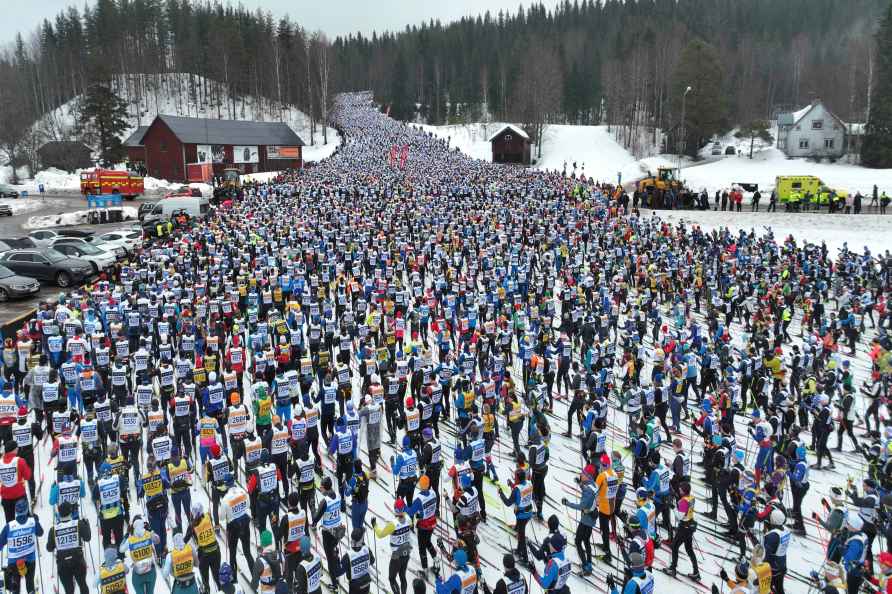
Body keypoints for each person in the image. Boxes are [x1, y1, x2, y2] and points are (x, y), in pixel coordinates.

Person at [47, 500, 92, 594]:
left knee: (69, 590)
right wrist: (87, 524)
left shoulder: (53, 529)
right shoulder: (78, 523)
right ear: (71, 512)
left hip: (62, 563)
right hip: (78, 560)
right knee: (82, 585)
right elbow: (87, 538)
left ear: (59, 514)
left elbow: (49, 548)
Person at [373, 498, 414, 594]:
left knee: (392, 578)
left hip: (396, 555)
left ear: (395, 509)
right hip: (407, 552)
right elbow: (410, 525)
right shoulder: (408, 518)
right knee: (402, 576)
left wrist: (375, 525)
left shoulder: (393, 524)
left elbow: (380, 534)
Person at [0, 439, 32, 522]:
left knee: (9, 521)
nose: (18, 449)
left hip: (5, 496)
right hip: (19, 495)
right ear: (13, 449)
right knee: (25, 520)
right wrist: (28, 466)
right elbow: (28, 477)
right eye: (17, 448)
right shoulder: (20, 461)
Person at [336, 528, 374, 594]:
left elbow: (338, 572)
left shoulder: (348, 556)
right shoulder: (367, 549)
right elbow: (372, 561)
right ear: (361, 540)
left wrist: (336, 558)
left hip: (355, 587)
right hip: (366, 584)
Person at [164, 529, 200, 594]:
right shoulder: (190, 548)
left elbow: (165, 574)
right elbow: (197, 564)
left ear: (173, 540)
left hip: (179, 586)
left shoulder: (170, 555)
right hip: (192, 584)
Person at [251, 530, 283, 594]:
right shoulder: (280, 555)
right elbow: (286, 573)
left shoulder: (260, 562)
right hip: (280, 589)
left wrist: (253, 588)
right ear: (271, 541)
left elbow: (254, 583)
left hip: (267, 591)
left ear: (262, 543)